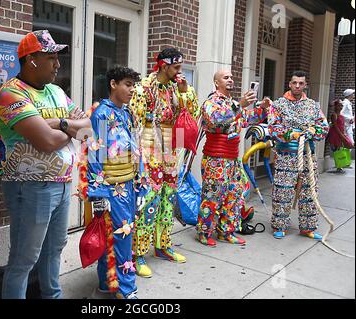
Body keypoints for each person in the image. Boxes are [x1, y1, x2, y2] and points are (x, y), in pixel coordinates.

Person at [0, 30, 91, 299]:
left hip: (61, 185)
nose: (58, 65)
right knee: (24, 259)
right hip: (30, 187)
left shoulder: (57, 92)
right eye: (51, 58)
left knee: (54, 250)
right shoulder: (10, 94)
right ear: (31, 60)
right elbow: (47, 141)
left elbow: (88, 129)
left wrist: (58, 123)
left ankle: (52, 296)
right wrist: (67, 129)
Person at [128, 47, 199, 278]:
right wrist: (136, 157)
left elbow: (192, 114)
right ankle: (137, 254)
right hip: (150, 145)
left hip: (172, 145)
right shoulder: (144, 88)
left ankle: (163, 246)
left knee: (169, 197)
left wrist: (185, 92)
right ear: (163, 65)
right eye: (176, 67)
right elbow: (134, 123)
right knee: (148, 199)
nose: (180, 72)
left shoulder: (177, 88)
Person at [197, 70, 270, 246]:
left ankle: (226, 231)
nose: (230, 79)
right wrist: (240, 104)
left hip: (232, 160)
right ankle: (204, 233)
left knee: (234, 196)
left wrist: (263, 109)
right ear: (216, 83)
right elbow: (216, 119)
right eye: (225, 77)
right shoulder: (210, 103)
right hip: (216, 159)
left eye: (231, 77)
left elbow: (247, 119)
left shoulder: (234, 103)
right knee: (212, 197)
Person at [87, 66, 141, 299]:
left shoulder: (126, 113)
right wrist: (98, 193)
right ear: (113, 84)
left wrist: (139, 182)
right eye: (127, 84)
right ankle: (126, 289)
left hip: (128, 183)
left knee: (116, 234)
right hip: (111, 186)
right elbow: (94, 154)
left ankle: (106, 282)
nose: (132, 89)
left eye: (133, 85)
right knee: (122, 234)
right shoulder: (101, 113)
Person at [268, 70, 329, 240]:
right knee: (283, 192)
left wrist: (312, 130)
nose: (297, 86)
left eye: (301, 83)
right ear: (289, 83)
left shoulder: (313, 105)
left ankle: (307, 228)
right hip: (286, 155)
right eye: (294, 82)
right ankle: (280, 226)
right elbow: (273, 127)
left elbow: (324, 127)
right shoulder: (278, 104)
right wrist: (291, 134)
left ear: (305, 85)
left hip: (307, 155)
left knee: (309, 193)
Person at [327, 99, 354, 173]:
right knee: (336, 150)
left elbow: (343, 126)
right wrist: (342, 136)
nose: (341, 107)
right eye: (339, 105)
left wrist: (344, 134)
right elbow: (335, 127)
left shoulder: (341, 115)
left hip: (341, 134)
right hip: (335, 135)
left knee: (341, 148)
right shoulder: (334, 115)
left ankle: (340, 165)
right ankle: (339, 165)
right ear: (336, 106)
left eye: (342, 105)